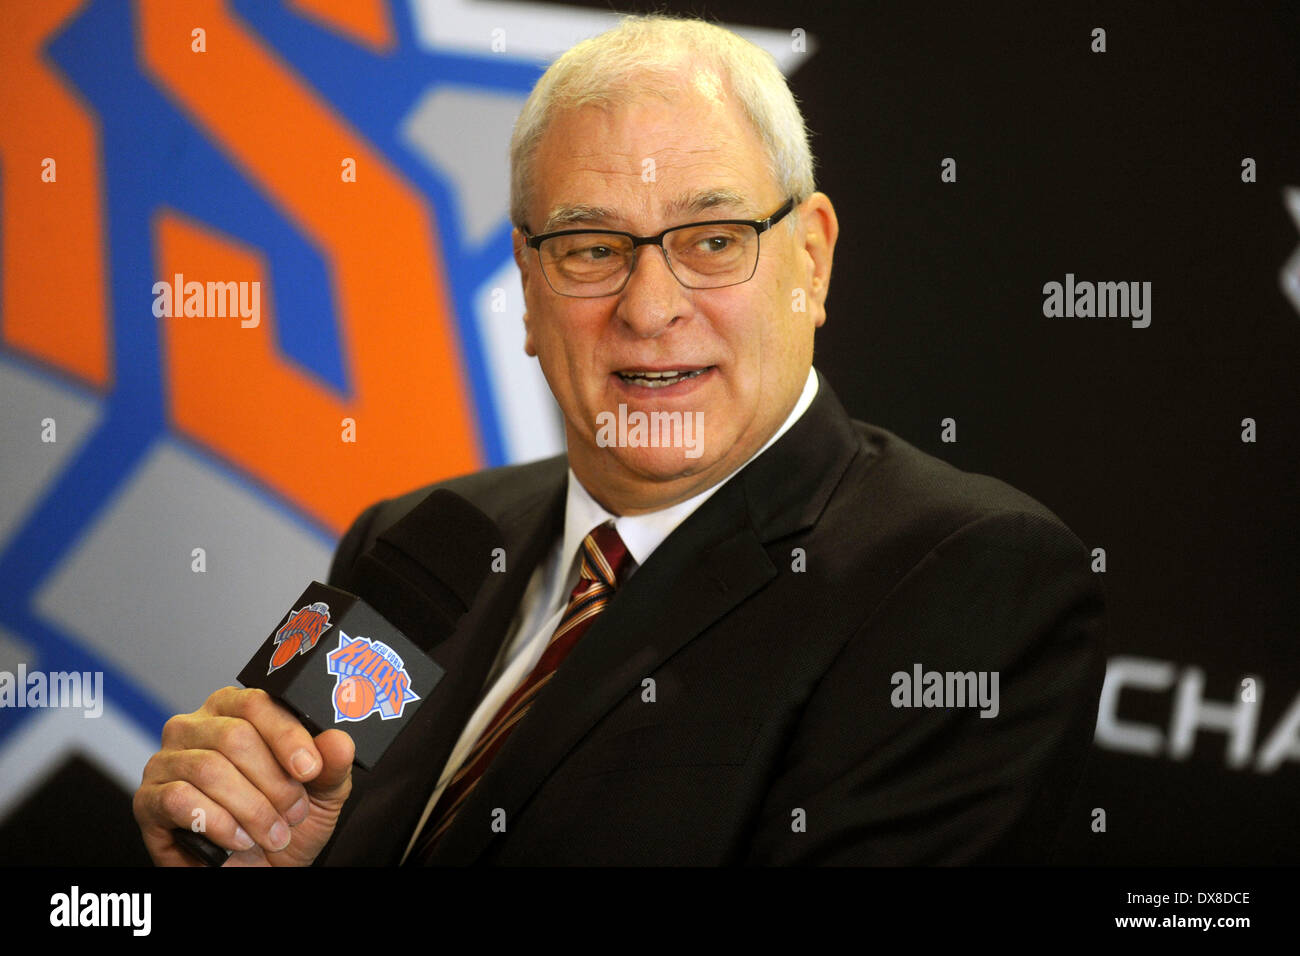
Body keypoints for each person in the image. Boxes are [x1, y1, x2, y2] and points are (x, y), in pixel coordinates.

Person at [133, 14, 1107, 866]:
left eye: (712, 237)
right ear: (526, 282)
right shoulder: (421, 541)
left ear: (809, 258)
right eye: (591, 247)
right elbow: (271, 823)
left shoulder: (961, 575)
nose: (648, 308)